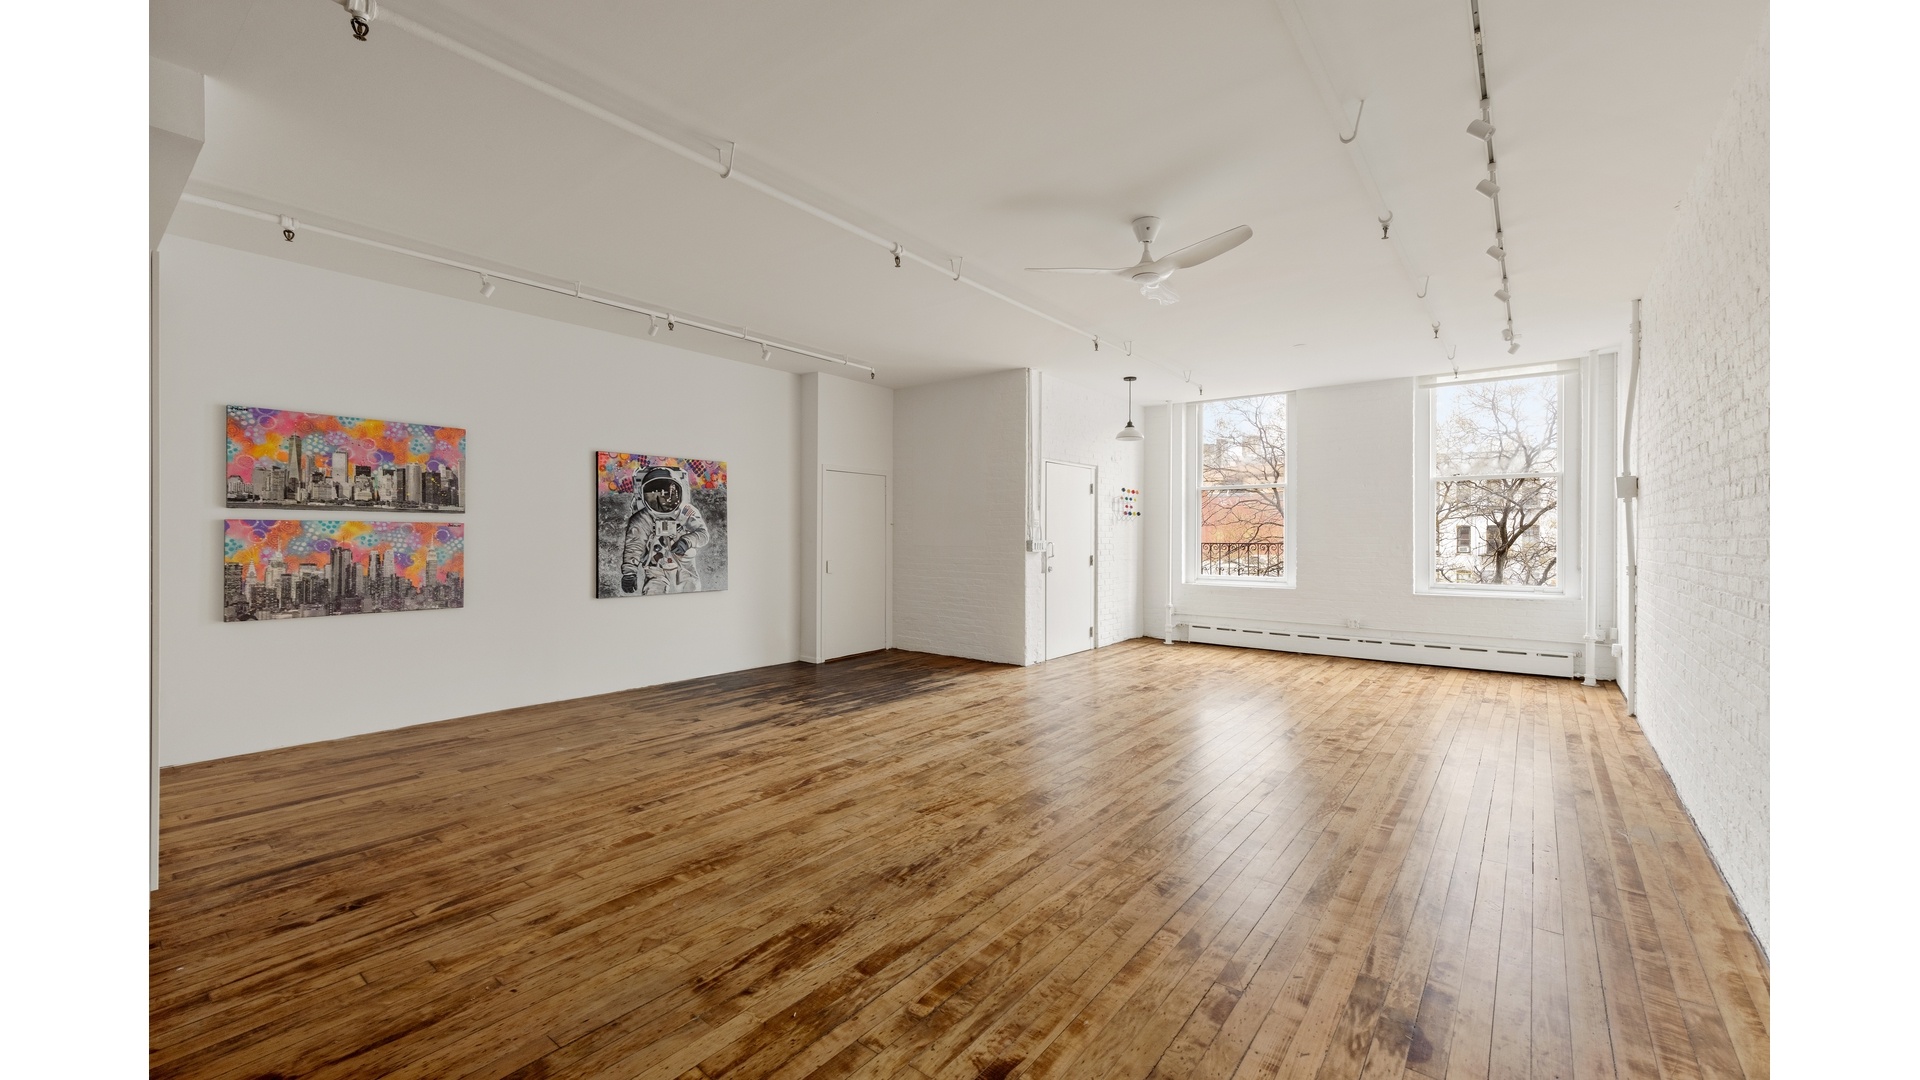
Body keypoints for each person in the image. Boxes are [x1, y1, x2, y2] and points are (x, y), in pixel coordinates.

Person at [619, 465, 710, 595]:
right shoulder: (642, 518)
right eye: (655, 493)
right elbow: (634, 545)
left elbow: (703, 534)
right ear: (644, 496)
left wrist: (686, 541)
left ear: (678, 491)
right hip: (656, 564)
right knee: (653, 593)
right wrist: (629, 572)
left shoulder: (686, 512)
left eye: (667, 492)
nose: (663, 498)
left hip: (683, 561)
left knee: (691, 593)